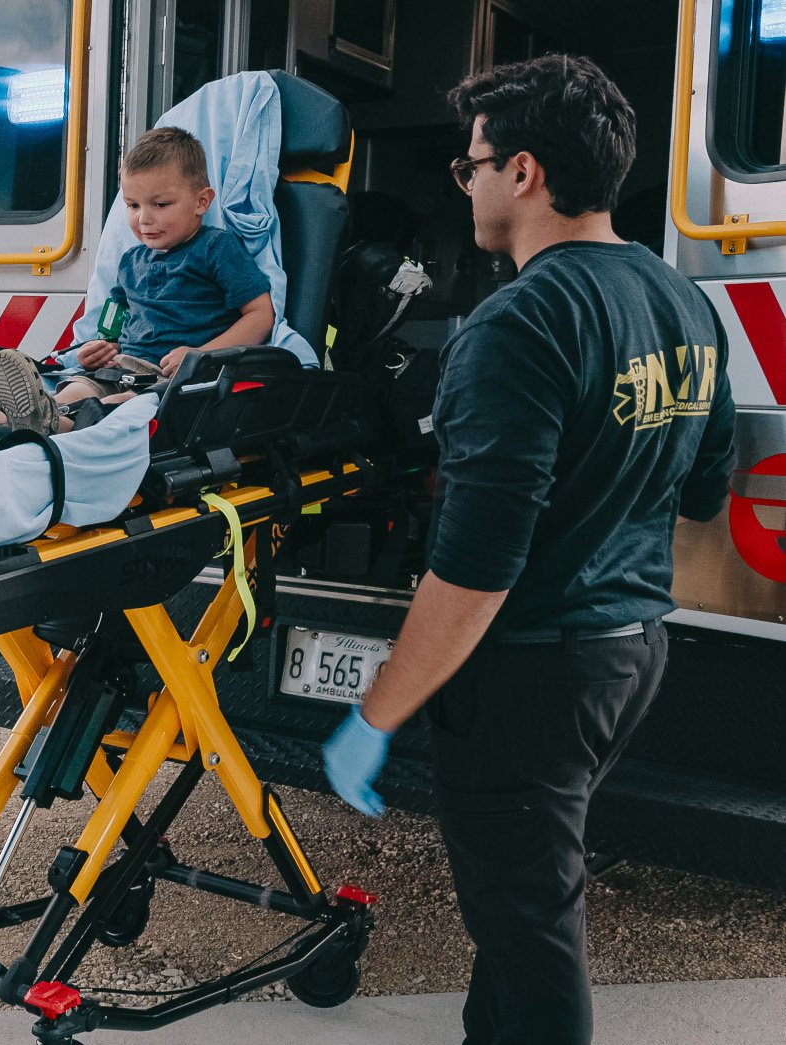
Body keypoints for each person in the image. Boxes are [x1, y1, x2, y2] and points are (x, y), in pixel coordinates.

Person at [320, 55, 735, 1044]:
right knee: (521, 904)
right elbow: (706, 489)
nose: (464, 183)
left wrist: (378, 710)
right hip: (630, 652)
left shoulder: (518, 323)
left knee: (533, 924)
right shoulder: (682, 301)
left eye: (472, 165)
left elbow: (476, 566)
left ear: (527, 173)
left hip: (532, 677)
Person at [0, 127, 275, 440]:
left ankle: (42, 425)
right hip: (117, 369)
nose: (144, 219)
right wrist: (98, 349)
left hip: (173, 379)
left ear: (202, 202)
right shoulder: (130, 262)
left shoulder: (216, 249)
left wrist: (200, 356)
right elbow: (112, 328)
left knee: (127, 406)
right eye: (133, 205)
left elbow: (261, 315)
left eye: (161, 205)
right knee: (75, 390)